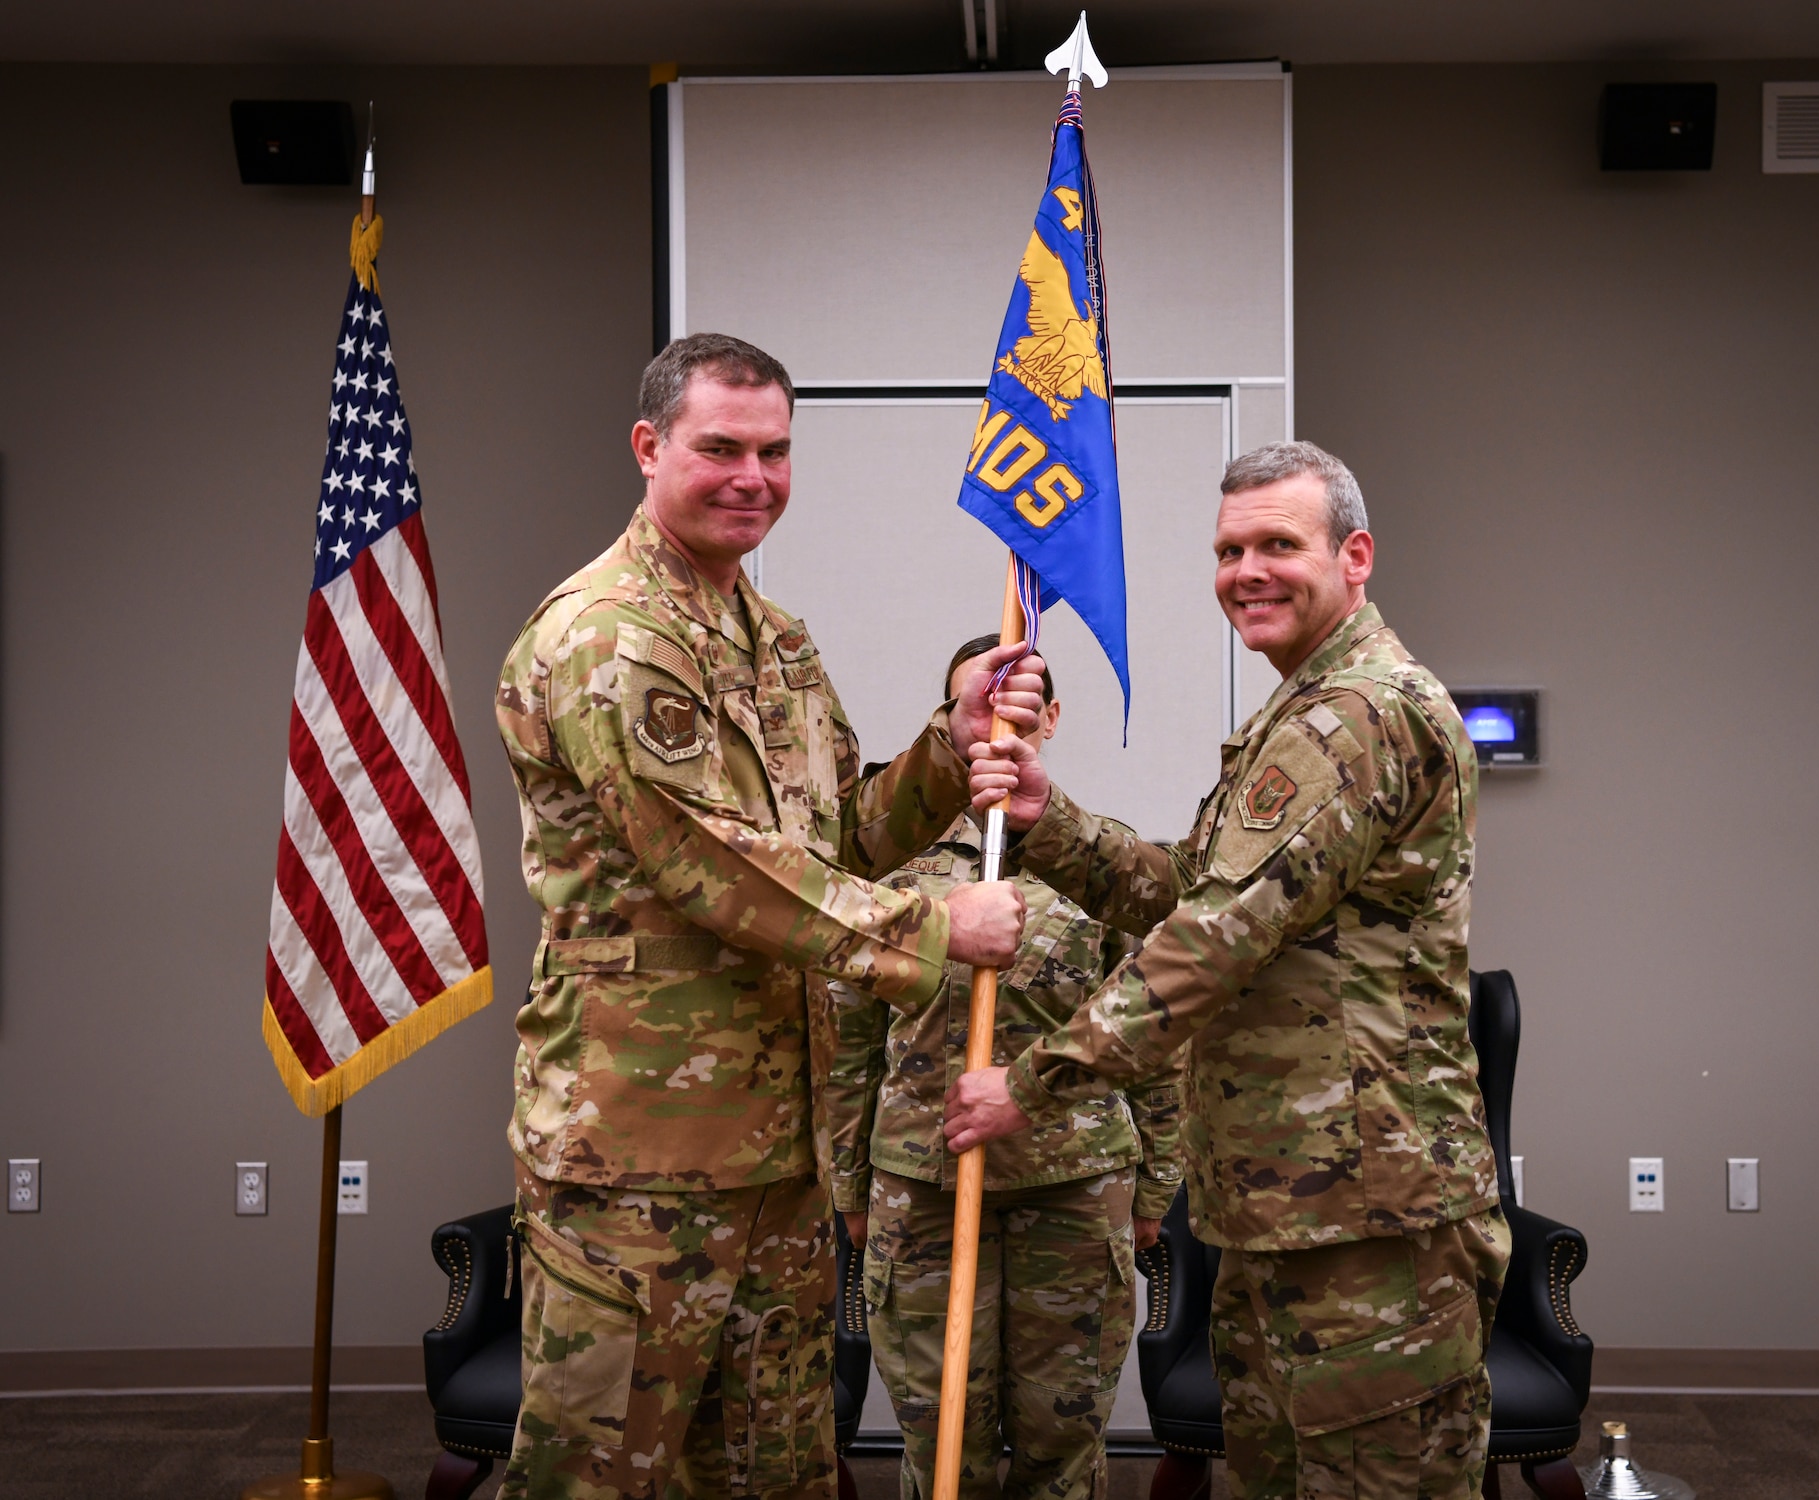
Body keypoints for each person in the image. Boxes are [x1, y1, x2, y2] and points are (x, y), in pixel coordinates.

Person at [493, 333, 1046, 1500]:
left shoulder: (772, 635)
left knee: (777, 1471)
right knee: (600, 1478)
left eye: (775, 451)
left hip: (774, 1151)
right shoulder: (609, 638)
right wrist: (939, 933)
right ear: (649, 449)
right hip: (639, 1160)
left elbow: (830, 838)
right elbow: (716, 869)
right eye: (720, 449)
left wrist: (950, 748)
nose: (753, 476)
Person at [944, 441, 1509, 1500]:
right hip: (1287, 1205)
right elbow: (1190, 896)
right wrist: (1046, 824)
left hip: (1366, 1225)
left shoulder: (1355, 716)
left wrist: (1028, 1084)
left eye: (1277, 545)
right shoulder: (1299, 712)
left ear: (1354, 556)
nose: (1245, 572)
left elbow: (1212, 940)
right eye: (1227, 549)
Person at [824, 636, 1184, 1500]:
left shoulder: (1103, 870)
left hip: (1074, 1188)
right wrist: (848, 1190)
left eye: (1016, 706)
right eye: (973, 707)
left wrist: (1159, 1188)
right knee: (943, 1446)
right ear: (949, 723)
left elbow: (1156, 1036)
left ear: (1050, 719)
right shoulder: (894, 875)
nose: (995, 726)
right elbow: (845, 1044)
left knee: (1063, 1446)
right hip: (922, 1188)